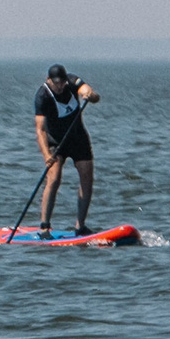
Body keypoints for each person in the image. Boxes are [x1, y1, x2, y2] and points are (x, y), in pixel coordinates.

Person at [35, 64, 101, 233]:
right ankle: (45, 226)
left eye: (62, 82)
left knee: (87, 178)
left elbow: (92, 94)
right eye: (56, 83)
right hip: (56, 142)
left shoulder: (71, 81)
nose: (60, 86)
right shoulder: (43, 96)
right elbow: (40, 130)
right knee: (54, 178)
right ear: (49, 80)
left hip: (78, 137)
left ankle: (80, 226)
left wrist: (90, 94)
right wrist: (46, 155)